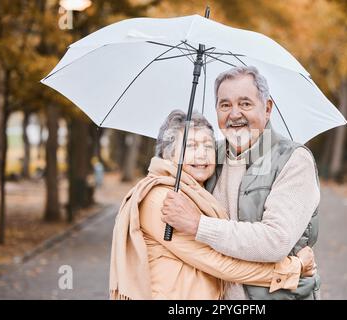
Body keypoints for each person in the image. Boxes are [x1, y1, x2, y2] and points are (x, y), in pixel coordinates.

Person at [109, 110, 316, 300]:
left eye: (208, 145)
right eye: (191, 146)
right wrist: (293, 268)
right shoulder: (163, 200)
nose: (201, 154)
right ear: (168, 154)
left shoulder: (194, 194)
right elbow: (219, 262)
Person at [162, 66, 321, 300]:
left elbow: (275, 241)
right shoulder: (207, 157)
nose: (234, 114)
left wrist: (199, 226)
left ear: (267, 109)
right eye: (225, 105)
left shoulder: (293, 160)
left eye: (245, 104)